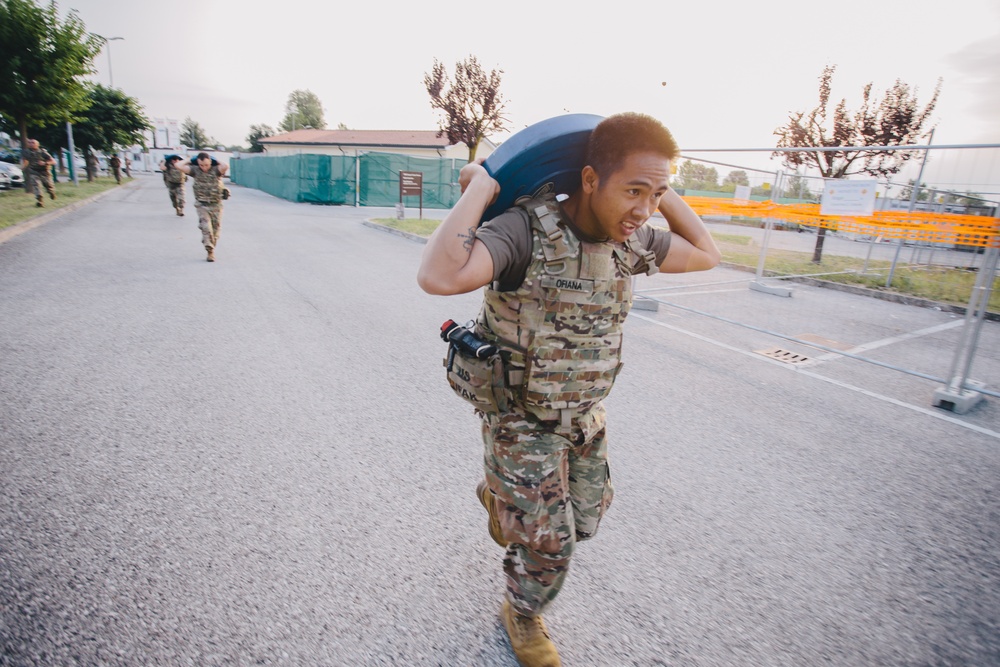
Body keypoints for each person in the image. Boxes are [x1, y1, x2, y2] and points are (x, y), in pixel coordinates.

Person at [416, 112, 721, 667]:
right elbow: (438, 276)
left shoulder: (632, 242)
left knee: (585, 520)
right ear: (588, 179)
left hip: (584, 417)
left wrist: (658, 188)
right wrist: (483, 190)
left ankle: (502, 502)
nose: (644, 210)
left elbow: (706, 252)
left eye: (656, 195)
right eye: (632, 190)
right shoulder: (524, 232)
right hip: (519, 417)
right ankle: (522, 612)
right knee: (551, 542)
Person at [174, 152, 228, 262]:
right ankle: (210, 251)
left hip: (216, 204)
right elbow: (179, 166)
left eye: (206, 165)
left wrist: (216, 160)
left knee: (215, 231)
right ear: (198, 163)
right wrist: (189, 160)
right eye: (201, 165)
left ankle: (212, 246)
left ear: (210, 162)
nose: (204, 168)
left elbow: (225, 166)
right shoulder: (195, 171)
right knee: (206, 227)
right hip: (202, 205)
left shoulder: (216, 170)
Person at [21, 138, 56, 208]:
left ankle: (51, 192)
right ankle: (40, 201)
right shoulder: (26, 152)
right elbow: (25, 160)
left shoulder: (42, 152)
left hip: (44, 172)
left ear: (37, 145)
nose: (31, 144)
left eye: (33, 143)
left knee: (48, 185)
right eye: (30, 143)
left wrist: (45, 163)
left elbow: (53, 161)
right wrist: (23, 167)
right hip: (34, 171)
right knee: (36, 185)